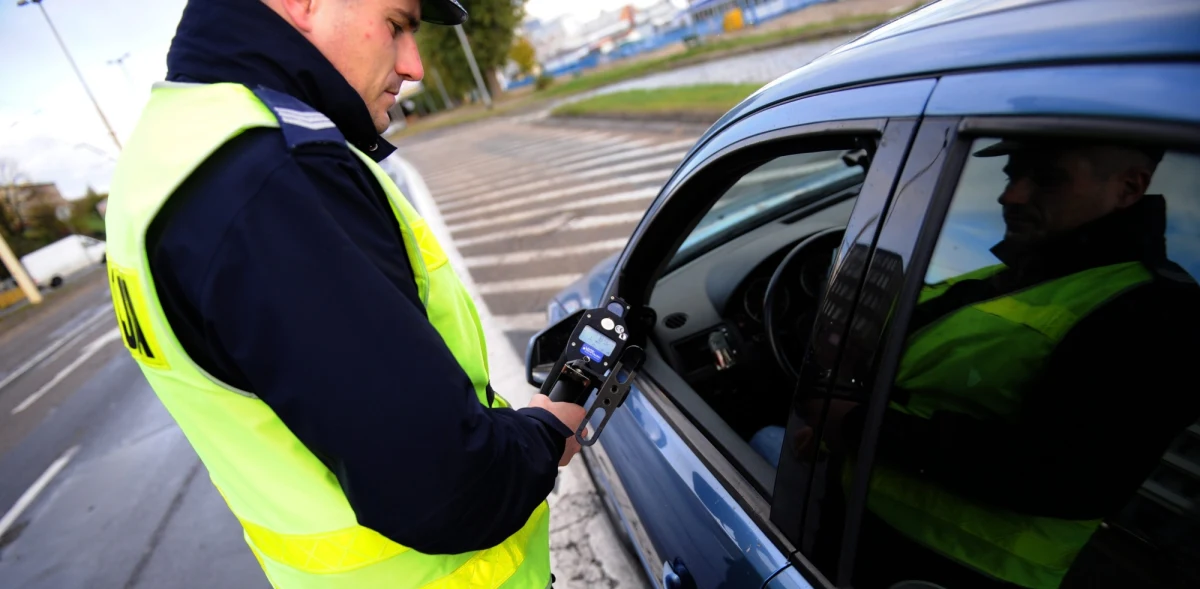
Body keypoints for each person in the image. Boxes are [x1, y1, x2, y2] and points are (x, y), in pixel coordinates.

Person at [103, 0, 586, 587]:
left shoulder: (166, 152)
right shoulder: (270, 173)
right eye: (398, 24)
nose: (415, 67)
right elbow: (443, 486)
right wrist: (544, 431)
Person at [791, 139, 1200, 589]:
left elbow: (1067, 475)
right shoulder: (1010, 275)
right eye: (1010, 175)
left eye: (1047, 178)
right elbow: (922, 379)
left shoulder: (1154, 313)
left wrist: (856, 428)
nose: (1011, 195)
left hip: (950, 571)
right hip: (858, 531)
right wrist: (843, 432)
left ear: (1128, 188)